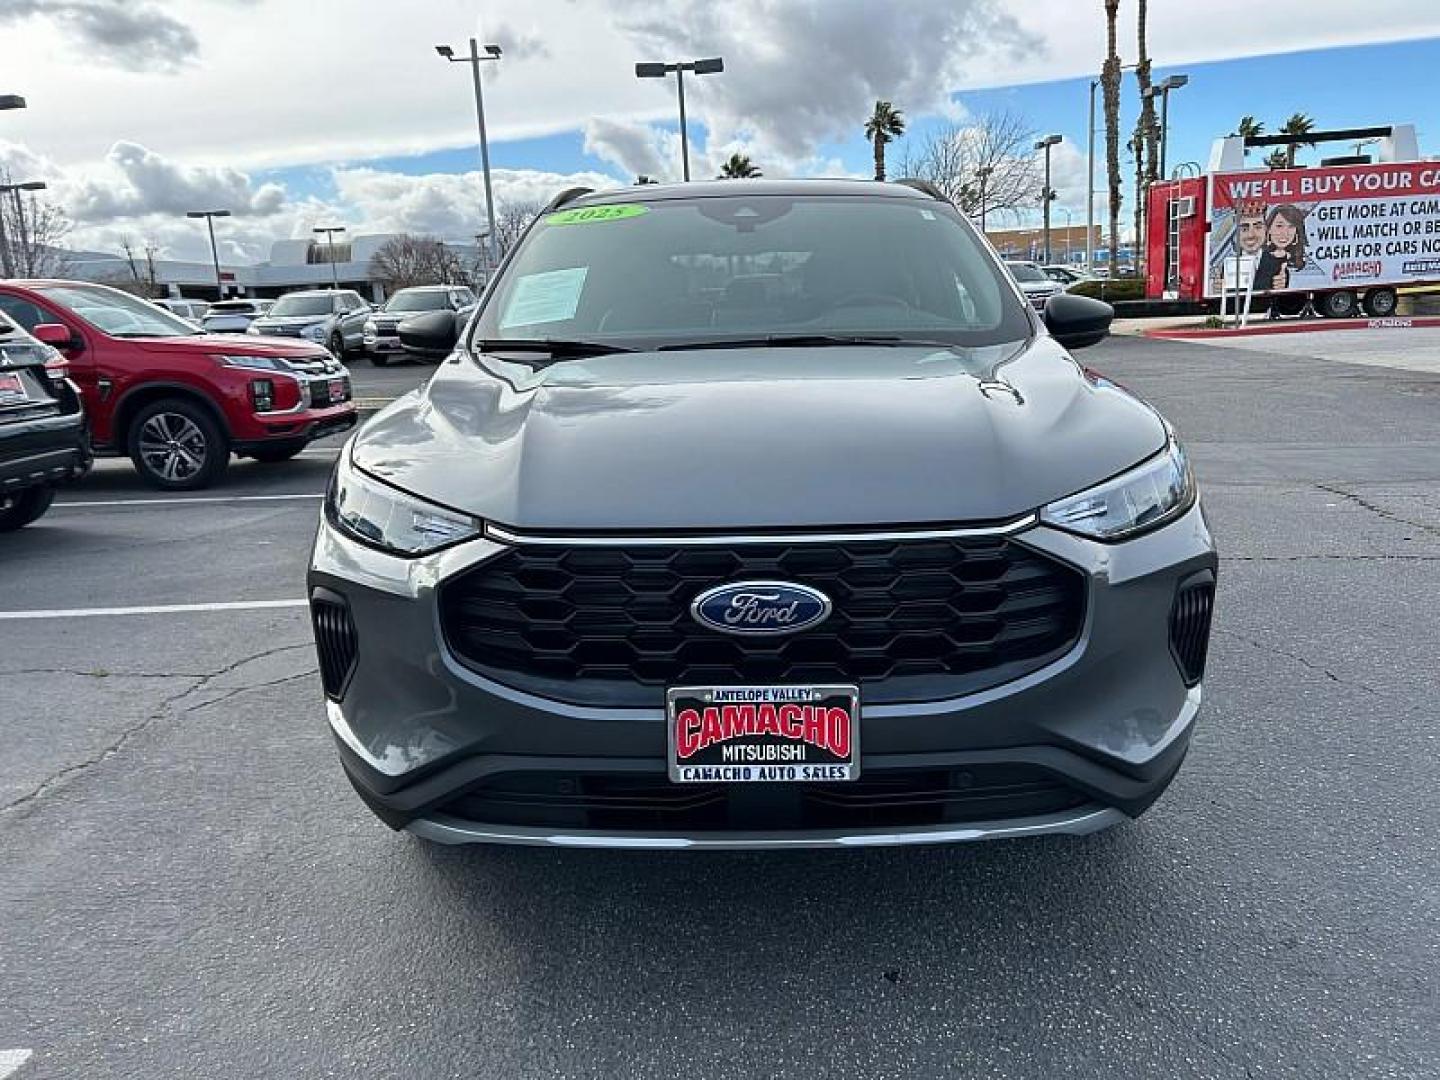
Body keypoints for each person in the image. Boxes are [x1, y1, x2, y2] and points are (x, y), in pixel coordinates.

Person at [1251, 204, 1322, 293]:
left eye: (1291, 226)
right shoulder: (1258, 256)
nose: (1285, 233)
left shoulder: (1294, 262)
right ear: (1269, 229)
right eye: (1279, 226)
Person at [1209, 199, 1266, 294]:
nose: (1251, 235)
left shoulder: (1277, 263)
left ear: (1266, 229)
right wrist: (1217, 290)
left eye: (1258, 227)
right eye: (1244, 229)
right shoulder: (1226, 265)